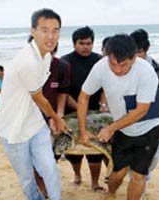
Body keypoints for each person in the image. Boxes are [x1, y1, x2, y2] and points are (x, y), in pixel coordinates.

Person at [0, 8, 70, 200]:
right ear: (33, 31)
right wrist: (56, 119)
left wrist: (49, 118)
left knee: (50, 169)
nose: (51, 36)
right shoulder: (27, 61)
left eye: (55, 30)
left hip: (34, 123)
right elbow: (38, 97)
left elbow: (37, 100)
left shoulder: (46, 56)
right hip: (13, 129)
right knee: (28, 178)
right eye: (44, 30)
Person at [78, 34, 159, 200]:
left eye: (123, 65)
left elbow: (141, 111)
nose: (117, 69)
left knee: (138, 176)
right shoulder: (101, 67)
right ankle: (111, 194)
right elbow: (83, 97)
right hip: (123, 131)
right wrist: (83, 131)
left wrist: (111, 128)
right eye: (113, 63)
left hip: (147, 129)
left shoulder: (146, 72)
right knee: (118, 173)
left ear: (134, 58)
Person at [60, 26, 105, 192]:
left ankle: (95, 182)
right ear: (74, 44)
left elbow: (104, 87)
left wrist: (103, 104)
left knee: (96, 150)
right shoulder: (65, 62)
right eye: (81, 43)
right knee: (73, 150)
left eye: (89, 43)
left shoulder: (100, 61)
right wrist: (80, 108)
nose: (86, 46)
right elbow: (63, 92)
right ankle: (77, 175)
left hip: (95, 113)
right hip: (71, 111)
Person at [130, 28, 159, 197]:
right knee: (134, 156)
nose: (137, 57)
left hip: (154, 117)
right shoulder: (125, 66)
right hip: (131, 117)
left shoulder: (156, 68)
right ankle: (139, 188)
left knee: (154, 156)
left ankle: (143, 179)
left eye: (140, 52)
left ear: (147, 49)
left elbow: (158, 99)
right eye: (134, 52)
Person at [34, 44, 71, 198]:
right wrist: (51, 117)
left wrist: (59, 116)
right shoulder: (27, 67)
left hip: (54, 116)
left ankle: (49, 187)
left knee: (50, 157)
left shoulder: (62, 67)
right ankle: (41, 189)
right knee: (34, 157)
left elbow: (63, 92)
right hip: (32, 117)